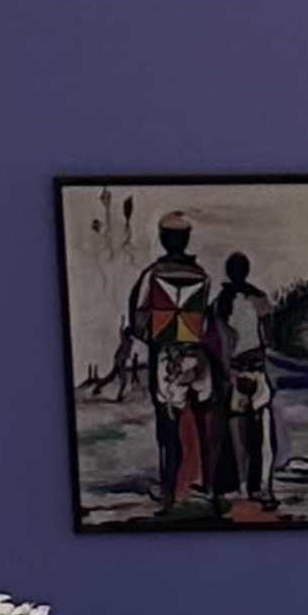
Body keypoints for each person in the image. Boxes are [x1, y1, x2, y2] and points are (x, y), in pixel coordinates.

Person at [105, 213, 227, 517]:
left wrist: (155, 334)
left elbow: (139, 321)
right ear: (186, 239)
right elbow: (205, 321)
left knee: (168, 428)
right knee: (203, 426)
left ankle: (170, 495)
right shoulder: (201, 275)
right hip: (198, 358)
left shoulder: (152, 274)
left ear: (162, 238)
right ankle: (208, 490)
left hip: (167, 360)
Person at [214, 252, 279, 514]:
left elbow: (219, 342)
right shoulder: (260, 299)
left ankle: (242, 486)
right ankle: (263, 487)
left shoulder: (221, 302)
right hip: (257, 370)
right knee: (262, 436)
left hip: (235, 372)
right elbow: (270, 337)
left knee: (238, 435)